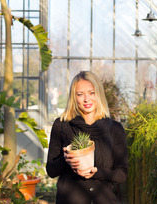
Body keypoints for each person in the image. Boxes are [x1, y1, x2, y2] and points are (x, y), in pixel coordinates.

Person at [46, 71, 128, 204]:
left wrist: (97, 173)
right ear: (74, 97)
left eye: (91, 92)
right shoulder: (61, 125)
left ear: (99, 94)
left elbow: (122, 174)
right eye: (80, 94)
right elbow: (51, 170)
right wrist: (65, 160)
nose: (86, 99)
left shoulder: (115, 129)